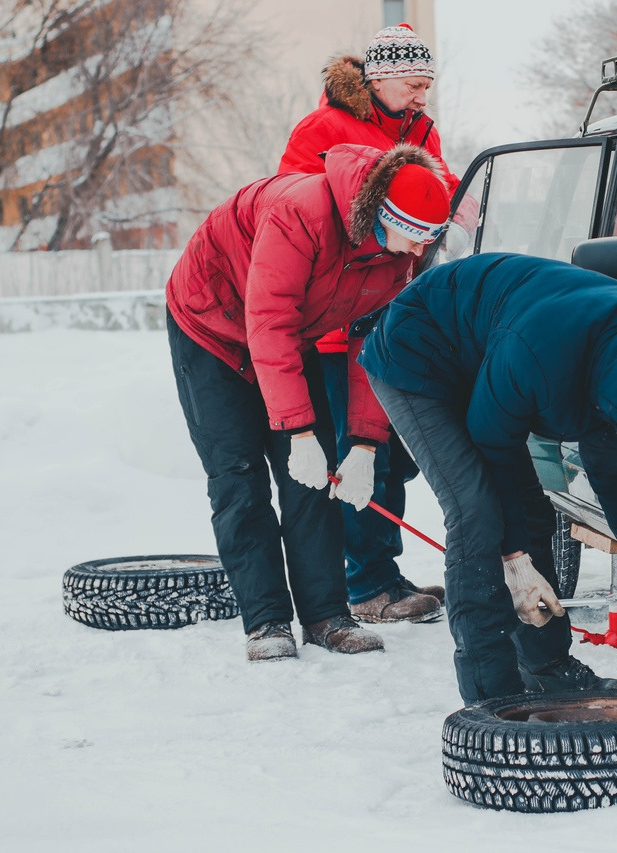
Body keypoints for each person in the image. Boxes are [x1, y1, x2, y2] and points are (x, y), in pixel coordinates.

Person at [359, 253, 617, 703]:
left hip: (493, 347)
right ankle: (490, 692)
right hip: (418, 352)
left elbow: (610, 454)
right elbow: (495, 451)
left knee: (531, 512)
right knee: (476, 510)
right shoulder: (538, 358)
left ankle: (546, 666)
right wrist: (514, 564)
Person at [166, 142, 451, 662]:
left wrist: (364, 443)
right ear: (383, 216)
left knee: (314, 484)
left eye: (429, 241)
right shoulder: (302, 211)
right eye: (413, 237)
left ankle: (326, 616)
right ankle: (267, 621)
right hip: (211, 325)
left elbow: (375, 346)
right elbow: (268, 319)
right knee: (239, 477)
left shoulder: (398, 255)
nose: (417, 253)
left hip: (289, 334)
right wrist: (297, 432)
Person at [276, 23, 460, 624]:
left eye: (427, 85)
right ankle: (366, 585)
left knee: (388, 453)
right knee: (353, 454)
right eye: (413, 84)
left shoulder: (421, 131)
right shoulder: (323, 129)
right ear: (377, 79)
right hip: (333, 326)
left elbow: (440, 193)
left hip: (389, 307)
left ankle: (383, 570)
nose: (422, 96)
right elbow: (292, 206)